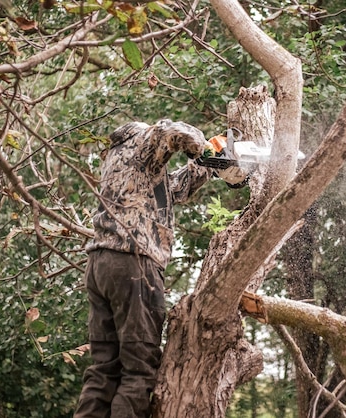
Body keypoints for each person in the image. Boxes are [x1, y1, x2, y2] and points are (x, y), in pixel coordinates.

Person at [74, 119, 246, 418]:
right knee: (138, 371)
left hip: (101, 265)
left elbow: (174, 190)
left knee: (103, 370)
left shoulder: (123, 160)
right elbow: (170, 129)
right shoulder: (142, 140)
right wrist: (203, 148)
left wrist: (212, 160)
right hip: (134, 262)